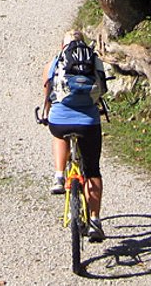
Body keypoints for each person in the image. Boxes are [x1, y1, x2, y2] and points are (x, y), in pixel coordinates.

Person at [41, 29, 108, 242]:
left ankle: (59, 175)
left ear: (63, 46)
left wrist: (46, 112)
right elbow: (103, 88)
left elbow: (48, 89)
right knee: (92, 170)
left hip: (60, 119)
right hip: (88, 122)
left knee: (58, 133)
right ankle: (95, 220)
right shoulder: (93, 60)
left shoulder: (57, 61)